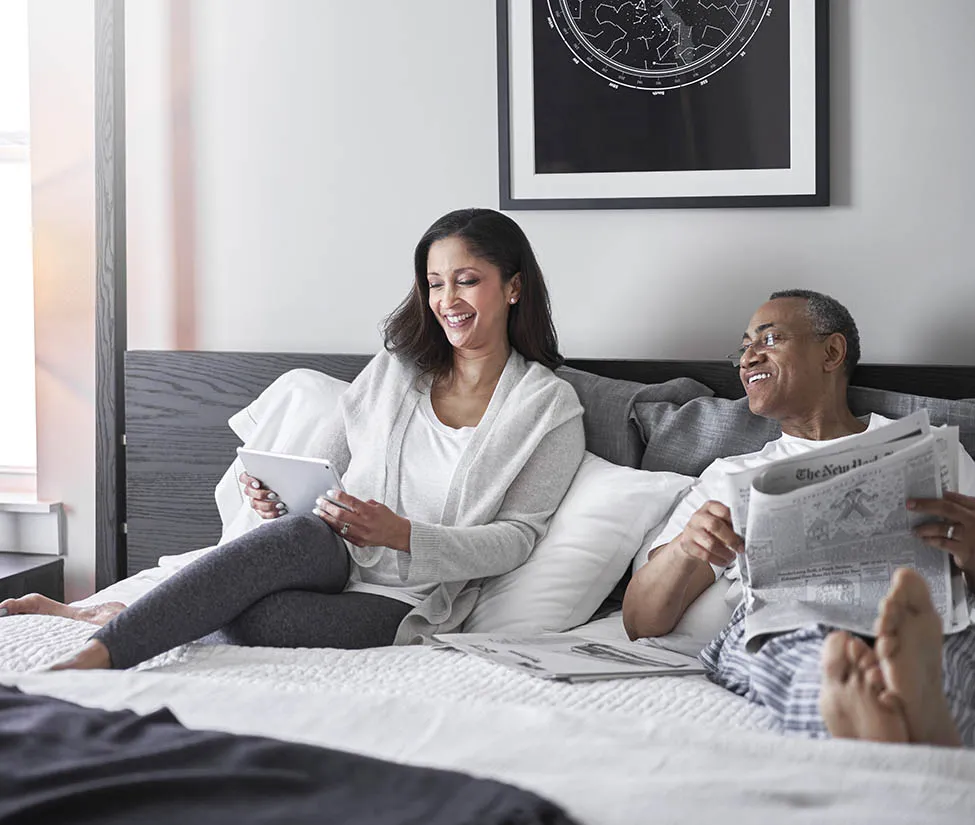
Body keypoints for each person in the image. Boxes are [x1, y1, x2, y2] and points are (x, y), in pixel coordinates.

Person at [1, 208, 586, 669]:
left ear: (513, 287)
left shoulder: (547, 407)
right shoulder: (396, 370)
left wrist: (404, 535)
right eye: (435, 284)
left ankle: (111, 614)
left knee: (247, 616)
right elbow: (324, 469)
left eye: (467, 281)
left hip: (407, 601)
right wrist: (280, 497)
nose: (446, 301)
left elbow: (517, 539)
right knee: (293, 537)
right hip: (327, 552)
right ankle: (99, 655)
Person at [623, 289, 975, 749]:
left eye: (769, 339)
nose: (748, 358)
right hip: (790, 617)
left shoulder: (931, 451)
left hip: (925, 614)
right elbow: (639, 621)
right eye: (744, 348)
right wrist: (684, 548)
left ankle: (884, 702)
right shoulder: (732, 476)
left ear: (832, 353)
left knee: (961, 633)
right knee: (799, 646)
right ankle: (908, 713)